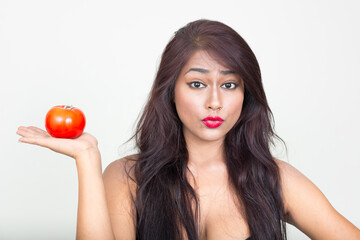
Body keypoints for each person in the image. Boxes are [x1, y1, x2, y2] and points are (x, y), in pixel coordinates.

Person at [17, 19, 360, 240]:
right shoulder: (127, 178)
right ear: (170, 91)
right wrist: (87, 160)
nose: (215, 102)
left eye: (229, 85)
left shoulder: (275, 178)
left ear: (246, 94)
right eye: (197, 84)